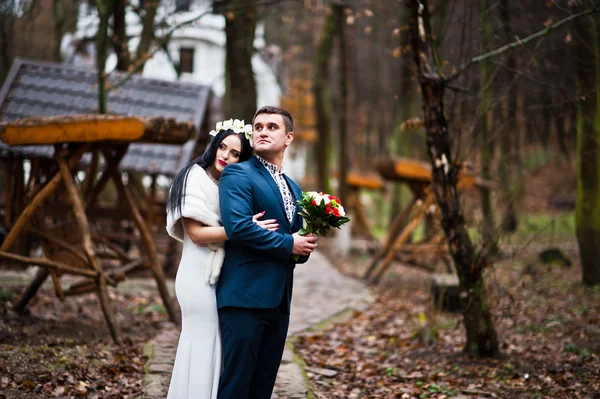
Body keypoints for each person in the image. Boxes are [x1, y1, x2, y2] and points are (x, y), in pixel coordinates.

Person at [165, 121, 279, 399]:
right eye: (223, 147)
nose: (225, 156)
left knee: (217, 344)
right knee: (202, 341)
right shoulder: (194, 177)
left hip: (222, 275)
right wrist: (243, 228)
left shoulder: (227, 184)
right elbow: (196, 234)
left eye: (235, 153)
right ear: (214, 145)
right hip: (197, 274)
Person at [216, 106, 319, 399]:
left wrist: (305, 244)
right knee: (236, 386)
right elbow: (238, 227)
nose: (262, 131)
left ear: (289, 137)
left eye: (272, 127)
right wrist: (290, 244)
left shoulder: (295, 189)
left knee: (261, 388)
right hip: (244, 298)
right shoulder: (238, 173)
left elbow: (297, 245)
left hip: (279, 301)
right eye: (258, 127)